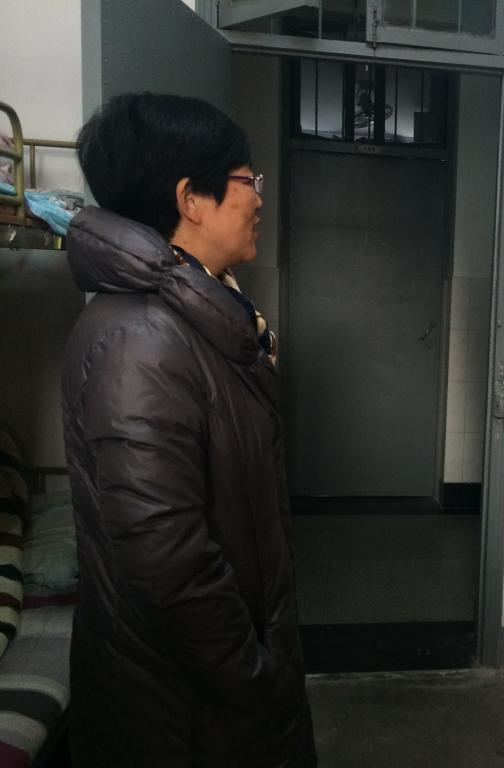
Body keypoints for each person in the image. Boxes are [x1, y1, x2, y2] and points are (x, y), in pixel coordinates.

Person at [62, 93, 316, 767]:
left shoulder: (196, 310)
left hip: (210, 691)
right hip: (186, 711)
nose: (258, 197)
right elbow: (165, 556)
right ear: (191, 198)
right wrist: (253, 674)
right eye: (246, 179)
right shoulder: (141, 340)